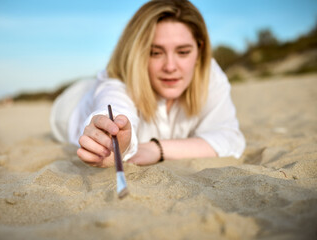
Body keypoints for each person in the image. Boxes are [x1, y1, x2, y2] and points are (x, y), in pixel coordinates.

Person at [50, 0, 245, 168]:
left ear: (199, 50)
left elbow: (230, 139)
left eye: (183, 52)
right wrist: (114, 139)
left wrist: (157, 148)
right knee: (99, 87)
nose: (170, 67)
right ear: (138, 53)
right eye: (155, 53)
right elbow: (115, 107)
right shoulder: (117, 82)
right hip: (71, 103)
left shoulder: (210, 75)